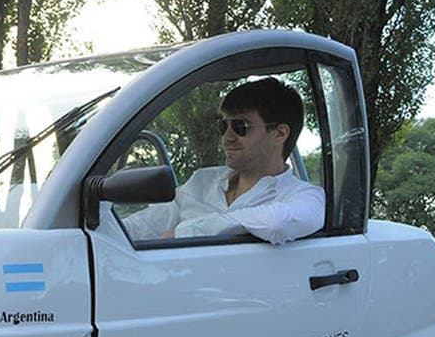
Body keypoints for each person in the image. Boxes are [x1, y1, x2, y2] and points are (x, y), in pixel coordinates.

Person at [123, 77, 325, 245]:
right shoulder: (201, 181)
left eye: (240, 126)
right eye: (223, 126)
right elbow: (140, 227)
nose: (227, 137)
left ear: (279, 134)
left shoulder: (304, 197)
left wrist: (184, 233)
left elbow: (276, 224)